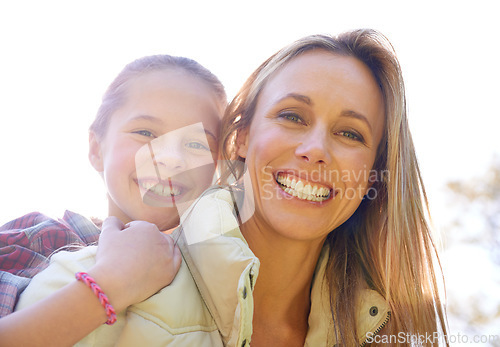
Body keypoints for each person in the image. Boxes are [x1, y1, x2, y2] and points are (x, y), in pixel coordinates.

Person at [15, 29, 448, 346]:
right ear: (237, 139)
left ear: (373, 173)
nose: (316, 149)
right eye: (292, 116)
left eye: (351, 133)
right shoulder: (92, 279)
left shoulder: (381, 333)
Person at [0, 54, 227, 346]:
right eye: (145, 133)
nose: (170, 157)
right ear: (96, 149)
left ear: (218, 167)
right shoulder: (40, 239)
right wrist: (114, 282)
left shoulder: (226, 273)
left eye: (196, 143)